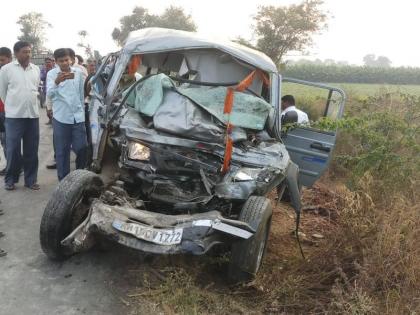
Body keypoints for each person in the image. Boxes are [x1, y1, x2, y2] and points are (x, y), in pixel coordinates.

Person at [0, 41, 40, 190]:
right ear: (16, 53)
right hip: (13, 117)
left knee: (31, 150)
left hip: (32, 116)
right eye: (24, 51)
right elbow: (2, 92)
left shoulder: (35, 69)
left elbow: (35, 88)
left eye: (29, 51)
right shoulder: (6, 70)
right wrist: (12, 106)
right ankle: (10, 180)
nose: (28, 54)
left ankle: (30, 180)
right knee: (13, 150)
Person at [47, 48, 88, 181]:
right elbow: (50, 94)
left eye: (66, 60)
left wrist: (82, 111)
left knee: (82, 148)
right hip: (61, 118)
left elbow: (81, 94)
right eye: (61, 61)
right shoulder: (52, 74)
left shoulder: (79, 72)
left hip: (78, 117)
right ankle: (63, 181)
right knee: (62, 151)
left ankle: (79, 178)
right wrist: (57, 82)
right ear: (56, 61)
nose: (64, 63)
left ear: (71, 59)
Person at [0, 47, 12, 176]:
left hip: (6, 111)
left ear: (9, 58)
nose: (0, 62)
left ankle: (13, 166)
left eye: (2, 60)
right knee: (4, 141)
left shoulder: (11, 73)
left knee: (8, 140)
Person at [40, 57, 54, 124]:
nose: (48, 63)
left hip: (54, 91)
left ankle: (54, 120)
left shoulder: (55, 69)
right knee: (47, 106)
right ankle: (50, 119)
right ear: (45, 63)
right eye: (47, 62)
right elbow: (42, 78)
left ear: (52, 62)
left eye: (49, 62)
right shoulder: (43, 70)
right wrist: (46, 71)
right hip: (46, 90)